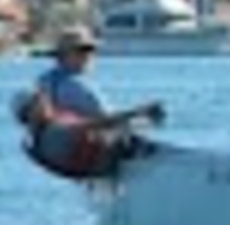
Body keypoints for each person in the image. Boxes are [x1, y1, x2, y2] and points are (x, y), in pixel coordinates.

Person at [15, 25, 164, 180]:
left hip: (57, 154)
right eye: (82, 51)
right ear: (64, 56)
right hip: (77, 156)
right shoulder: (75, 87)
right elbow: (106, 120)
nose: (89, 56)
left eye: (91, 50)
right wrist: (142, 113)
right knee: (125, 134)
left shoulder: (44, 80)